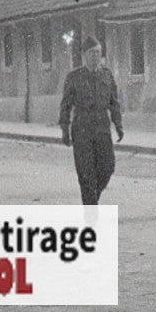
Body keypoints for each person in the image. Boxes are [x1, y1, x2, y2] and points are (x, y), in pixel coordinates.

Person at [58, 36, 123, 205]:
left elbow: (114, 103)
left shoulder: (107, 75)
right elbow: (65, 105)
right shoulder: (74, 77)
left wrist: (118, 125)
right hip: (82, 131)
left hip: (102, 130)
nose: (95, 56)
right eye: (91, 53)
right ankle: (91, 209)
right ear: (84, 55)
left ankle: (91, 200)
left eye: (98, 52)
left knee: (108, 167)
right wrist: (65, 130)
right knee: (86, 173)